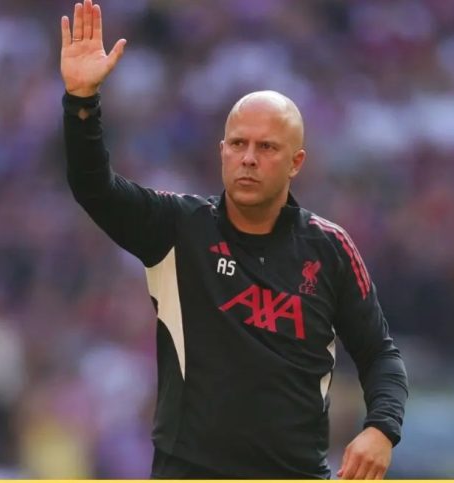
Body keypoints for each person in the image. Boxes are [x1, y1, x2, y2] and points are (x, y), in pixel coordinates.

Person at [60, 1, 408, 479]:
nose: (248, 158)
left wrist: (382, 428)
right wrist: (82, 102)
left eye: (267, 147)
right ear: (222, 151)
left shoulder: (329, 248)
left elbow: (380, 355)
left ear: (296, 162)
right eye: (239, 144)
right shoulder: (177, 227)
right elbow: (93, 188)